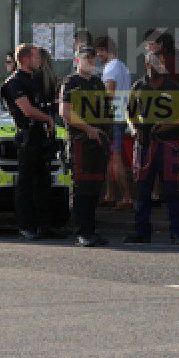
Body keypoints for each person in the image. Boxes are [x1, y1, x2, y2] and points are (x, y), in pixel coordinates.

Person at [125, 48, 179, 244]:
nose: (157, 66)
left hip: (167, 145)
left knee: (171, 191)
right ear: (146, 65)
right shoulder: (139, 86)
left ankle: (177, 233)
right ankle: (142, 232)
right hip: (144, 145)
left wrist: (167, 125)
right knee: (143, 191)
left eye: (160, 62)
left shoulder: (174, 87)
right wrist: (133, 128)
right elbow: (129, 113)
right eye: (153, 62)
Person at [0, 44, 60, 241]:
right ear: (25, 59)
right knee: (26, 182)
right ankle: (26, 225)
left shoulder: (34, 80)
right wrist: (47, 119)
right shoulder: (15, 82)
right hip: (28, 135)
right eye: (36, 57)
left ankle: (45, 225)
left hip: (40, 135)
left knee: (43, 181)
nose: (39, 60)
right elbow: (27, 110)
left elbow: (41, 104)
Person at [60, 45, 110, 247]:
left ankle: (92, 229)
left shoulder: (98, 83)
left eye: (94, 58)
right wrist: (88, 129)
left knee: (95, 187)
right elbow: (65, 112)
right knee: (81, 187)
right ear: (77, 61)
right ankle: (82, 231)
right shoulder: (70, 83)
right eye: (87, 57)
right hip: (80, 141)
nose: (92, 61)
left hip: (98, 141)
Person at [95, 36, 134, 210]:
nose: (98, 57)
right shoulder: (122, 66)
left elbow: (109, 94)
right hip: (120, 115)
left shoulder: (111, 68)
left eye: (98, 53)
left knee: (116, 158)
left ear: (104, 50)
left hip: (112, 118)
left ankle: (126, 197)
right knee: (111, 158)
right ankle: (110, 195)